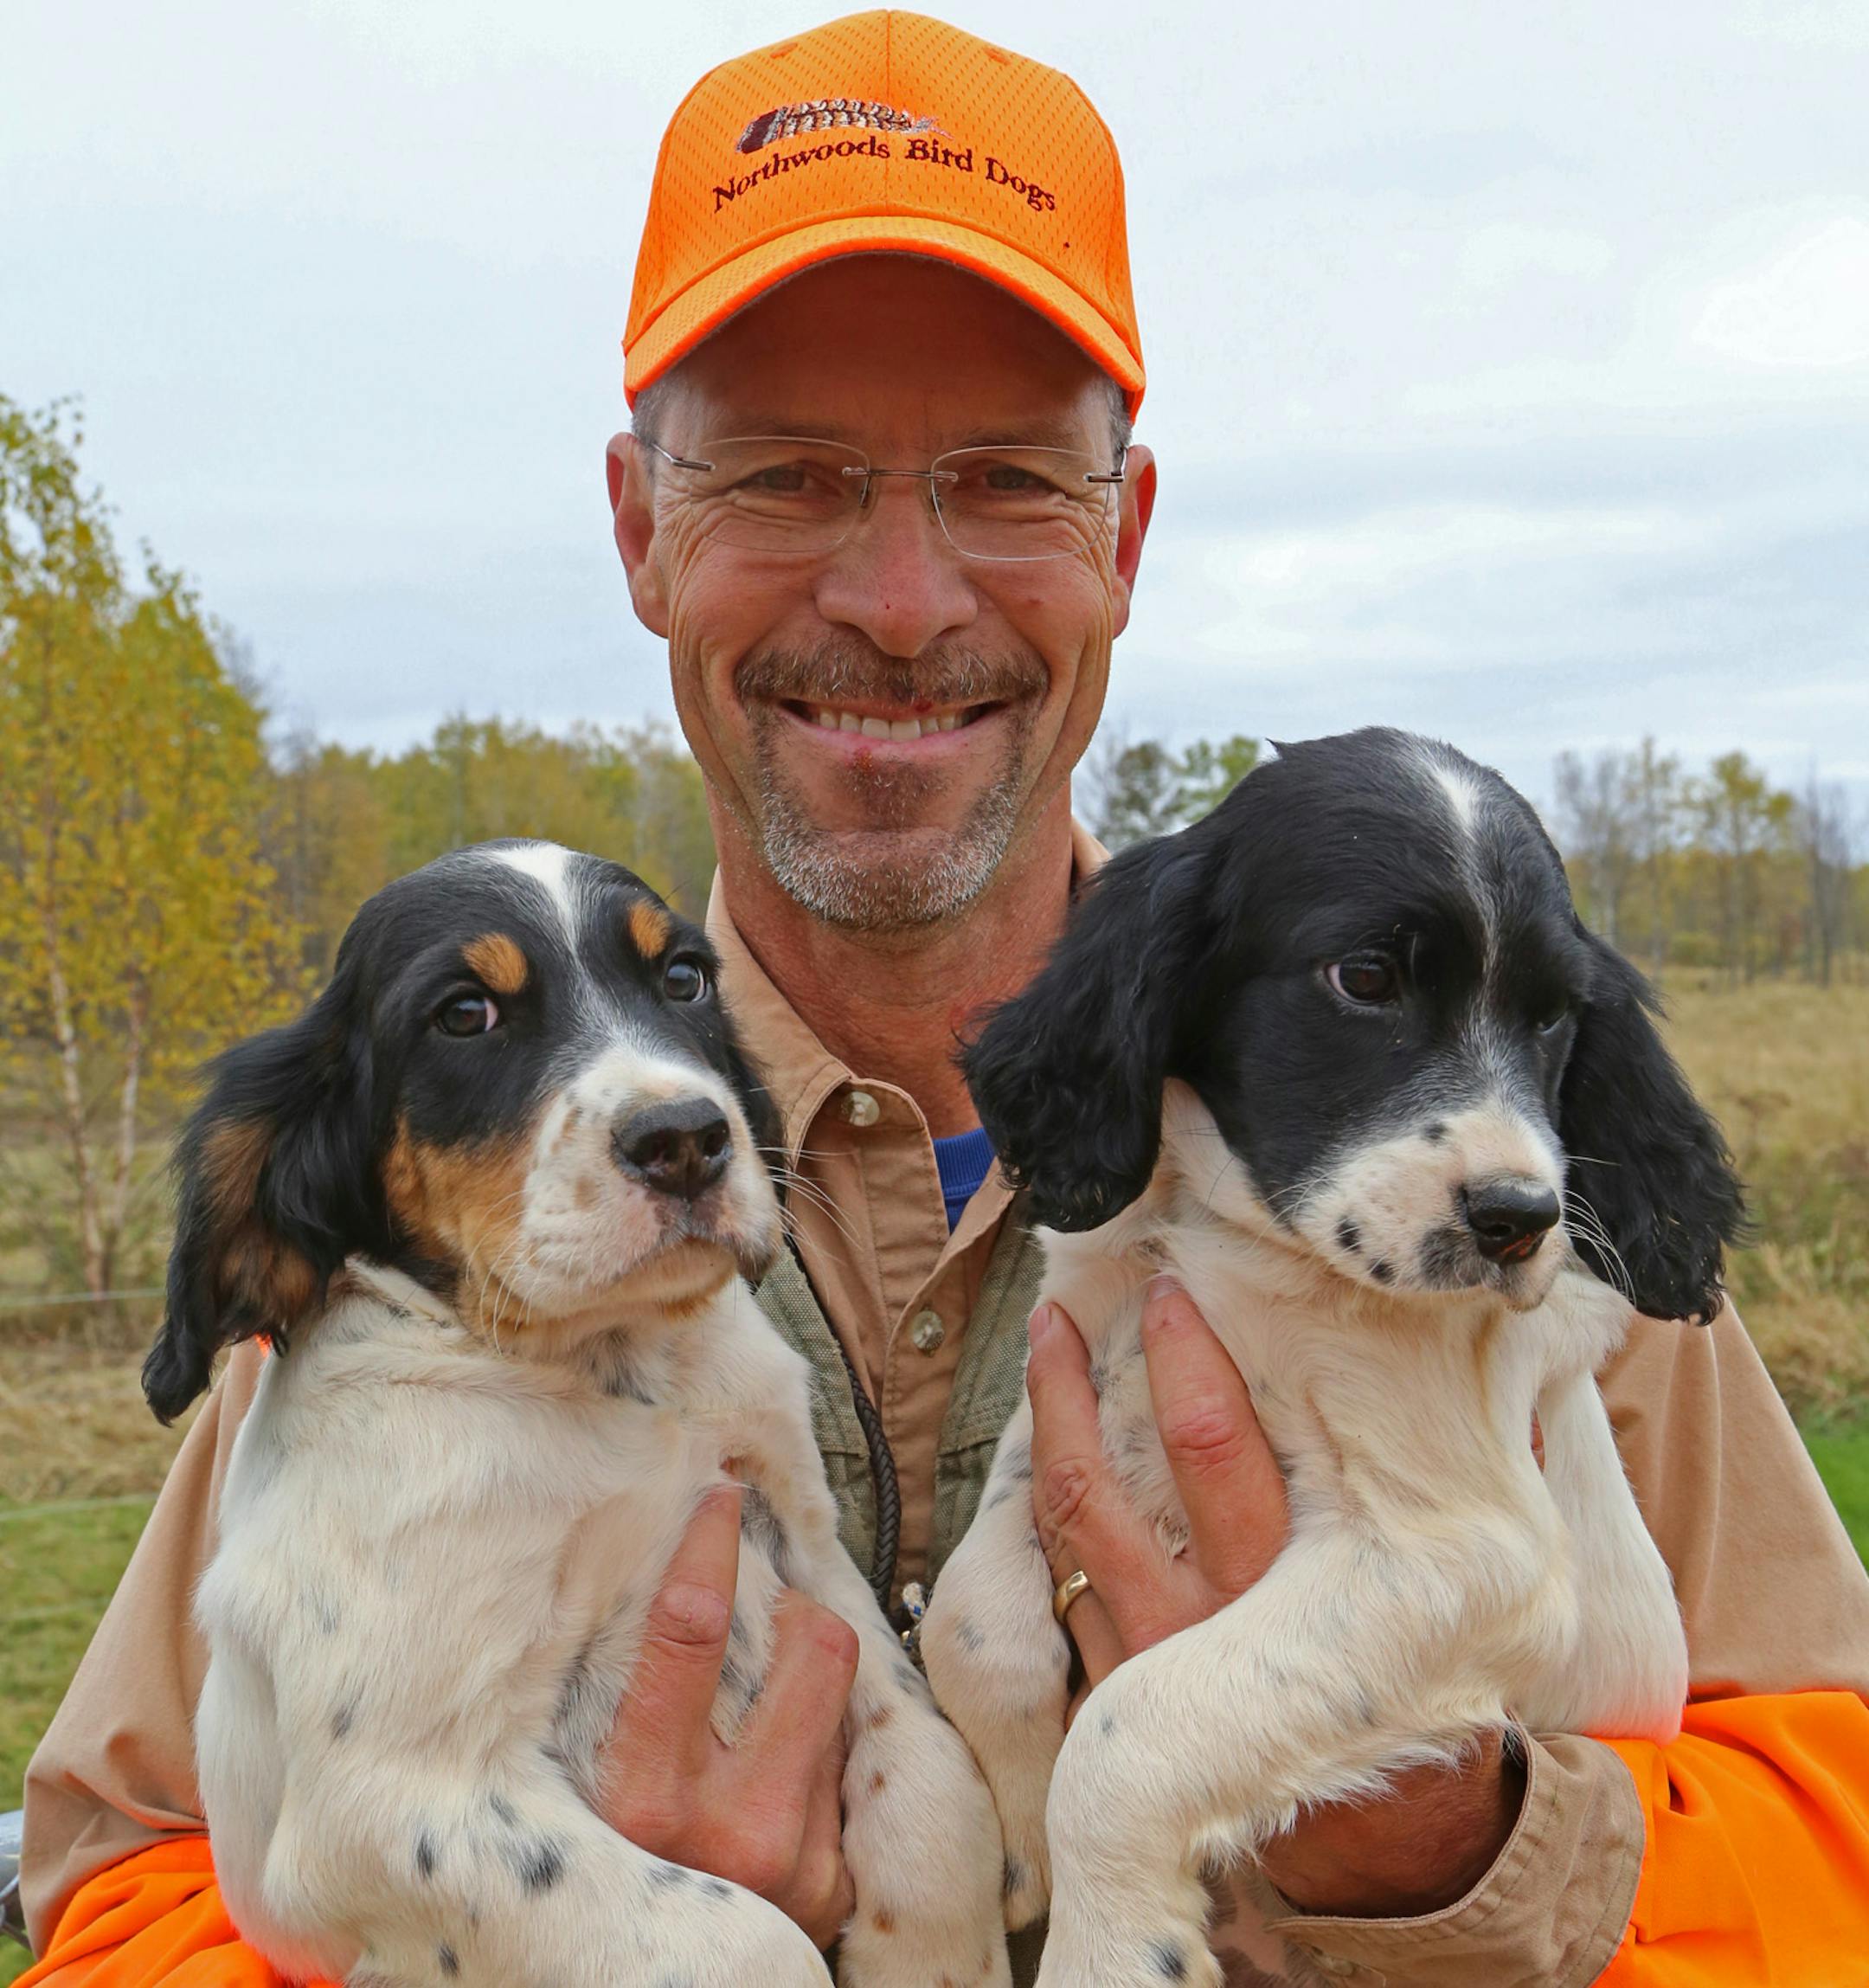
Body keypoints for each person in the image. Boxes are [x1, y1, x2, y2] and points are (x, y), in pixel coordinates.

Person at [19, 13, 1869, 1986]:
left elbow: (1834, 1829)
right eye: (790, 477)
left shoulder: (1488, 1157)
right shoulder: (442, 1210)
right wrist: (561, 1927)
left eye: (1001, 480)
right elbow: (126, 1892)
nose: (901, 601)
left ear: (1126, 538)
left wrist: (1467, 1852)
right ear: (648, 533)